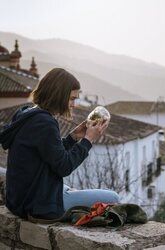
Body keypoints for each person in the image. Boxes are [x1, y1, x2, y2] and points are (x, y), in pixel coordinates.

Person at [0, 68, 119, 220]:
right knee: (112, 197)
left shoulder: (26, 114)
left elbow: (51, 154)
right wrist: (88, 140)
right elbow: (64, 167)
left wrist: (73, 137)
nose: (74, 104)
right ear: (58, 96)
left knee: (72, 190)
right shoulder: (45, 123)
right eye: (71, 99)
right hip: (36, 203)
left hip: (18, 200)